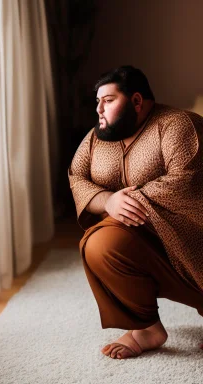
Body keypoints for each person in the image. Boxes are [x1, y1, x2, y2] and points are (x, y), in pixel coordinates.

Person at [68, 65, 203, 360]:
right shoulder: (96, 137)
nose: (99, 110)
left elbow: (186, 180)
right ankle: (146, 329)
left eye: (108, 100)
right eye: (97, 102)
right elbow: (76, 176)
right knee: (98, 244)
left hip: (193, 250)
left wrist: (128, 200)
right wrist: (108, 201)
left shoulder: (179, 125)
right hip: (146, 247)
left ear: (137, 101)